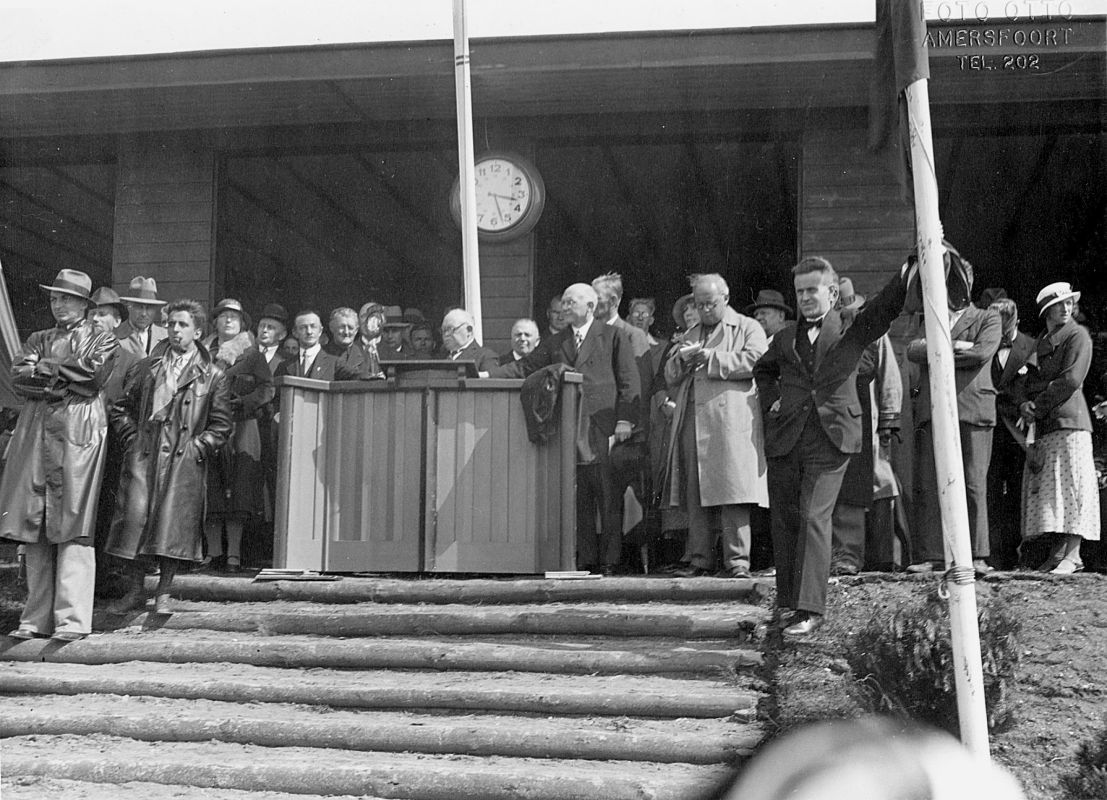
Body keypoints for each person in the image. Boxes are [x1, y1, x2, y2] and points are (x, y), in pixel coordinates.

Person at [754, 255, 908, 636]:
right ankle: (787, 605)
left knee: (813, 516)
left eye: (813, 290)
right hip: (788, 438)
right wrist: (773, 401)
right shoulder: (784, 337)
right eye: (800, 291)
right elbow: (763, 371)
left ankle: (810, 610)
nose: (806, 298)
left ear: (833, 293)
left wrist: (907, 272)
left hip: (833, 437)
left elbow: (883, 309)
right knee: (787, 520)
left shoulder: (851, 326)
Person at [488, 283, 640, 573]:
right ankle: (586, 559)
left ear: (590, 307)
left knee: (608, 496)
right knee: (579, 497)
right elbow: (525, 367)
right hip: (570, 427)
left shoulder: (613, 336)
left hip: (603, 427)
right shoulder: (556, 341)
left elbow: (629, 381)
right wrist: (486, 374)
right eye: (565, 303)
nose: (566, 307)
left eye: (572, 302)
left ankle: (610, 561)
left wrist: (625, 420)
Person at [1, 270, 118, 641]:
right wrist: (63, 377)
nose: (59, 304)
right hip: (35, 432)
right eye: (54, 298)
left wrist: (46, 369)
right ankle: (35, 618)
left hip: (78, 434)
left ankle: (71, 620)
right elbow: (20, 377)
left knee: (73, 523)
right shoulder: (38, 338)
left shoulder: (102, 338)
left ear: (84, 304)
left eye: (66, 298)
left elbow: (91, 377)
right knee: (34, 522)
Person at [105, 299, 233, 615]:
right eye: (172, 324)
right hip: (145, 456)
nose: (175, 330)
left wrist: (197, 447)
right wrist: (132, 438)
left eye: (183, 325)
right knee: (135, 521)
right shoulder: (148, 367)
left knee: (171, 527)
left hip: (182, 460)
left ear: (198, 332)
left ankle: (164, 592)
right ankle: (136, 590)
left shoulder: (213, 375)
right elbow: (120, 408)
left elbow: (221, 425)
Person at [661, 273, 768, 579]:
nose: (705, 309)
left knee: (733, 492)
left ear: (726, 298)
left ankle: (737, 562)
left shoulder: (748, 327)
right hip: (693, 420)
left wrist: (711, 359)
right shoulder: (691, 332)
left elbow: (758, 361)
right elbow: (670, 376)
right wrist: (681, 361)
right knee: (695, 493)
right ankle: (700, 559)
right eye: (699, 304)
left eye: (710, 303)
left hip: (730, 422)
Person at [906, 246, 1000, 575]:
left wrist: (937, 350)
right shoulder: (930, 318)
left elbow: (982, 353)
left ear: (967, 284)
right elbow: (912, 350)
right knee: (932, 482)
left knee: (973, 482)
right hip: (933, 410)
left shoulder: (988, 317)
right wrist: (955, 345)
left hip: (973, 410)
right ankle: (934, 555)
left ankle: (976, 555)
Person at [1015, 282, 1099, 574]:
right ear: (1046, 311)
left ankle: (1073, 555)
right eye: (1058, 304)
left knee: (1074, 486)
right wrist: (1025, 403)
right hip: (1047, 425)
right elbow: (1027, 380)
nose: (1066, 308)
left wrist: (1036, 405)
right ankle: (1058, 553)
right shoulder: (1042, 342)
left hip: (1070, 422)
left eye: (1068, 303)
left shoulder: (1078, 335)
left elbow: (1071, 380)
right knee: (1054, 490)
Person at [829, 278, 903, 575]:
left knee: (876, 485)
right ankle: (840, 553)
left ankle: (877, 555)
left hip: (866, 419)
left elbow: (889, 376)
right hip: (832, 420)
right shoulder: (825, 334)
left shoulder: (874, 337)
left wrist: (888, 421)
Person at [202, 299, 274, 571]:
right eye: (224, 316)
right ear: (215, 322)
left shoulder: (252, 355)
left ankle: (234, 555)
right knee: (211, 488)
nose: (229, 320)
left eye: (235, 317)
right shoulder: (203, 352)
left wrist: (244, 403)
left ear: (243, 323)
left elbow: (267, 389)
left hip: (242, 427)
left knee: (240, 489)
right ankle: (213, 553)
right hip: (209, 426)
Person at [987, 296, 1036, 570]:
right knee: (991, 490)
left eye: (1003, 325)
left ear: (1015, 321)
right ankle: (994, 554)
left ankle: (1019, 553)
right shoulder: (986, 343)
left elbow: (1037, 384)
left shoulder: (1031, 346)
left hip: (1018, 430)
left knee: (1019, 491)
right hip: (990, 428)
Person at [274, 311, 344, 380]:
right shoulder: (284, 366)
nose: (309, 332)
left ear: (320, 331)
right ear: (295, 332)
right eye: (303, 327)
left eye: (313, 327)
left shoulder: (336, 364)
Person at [114, 276, 168, 357]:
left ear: (155, 310)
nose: (144, 314)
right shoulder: (114, 335)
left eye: (149, 308)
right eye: (139, 307)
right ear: (128, 307)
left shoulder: (165, 336)